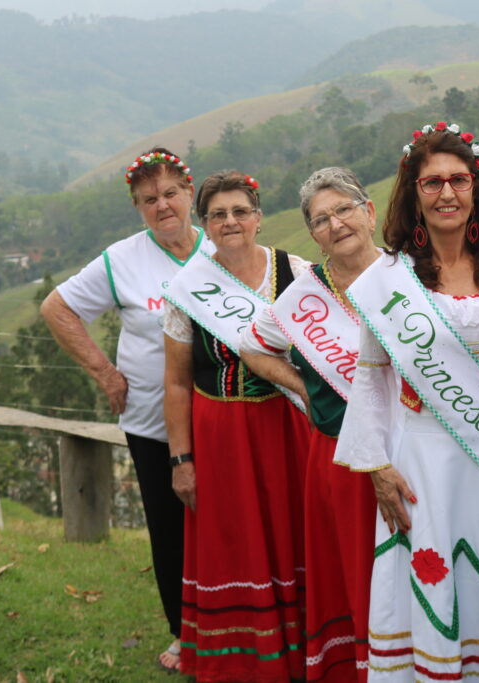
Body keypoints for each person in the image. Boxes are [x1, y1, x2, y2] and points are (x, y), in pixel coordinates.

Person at [334, 122, 479, 681]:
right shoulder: (387, 278)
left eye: (457, 180)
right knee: (436, 577)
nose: (446, 194)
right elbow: (369, 377)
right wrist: (376, 467)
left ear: (476, 187)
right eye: (431, 182)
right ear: (413, 193)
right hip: (421, 463)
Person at [40, 147, 209, 672]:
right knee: (170, 527)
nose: (162, 206)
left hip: (225, 418)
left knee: (227, 523)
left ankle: (235, 624)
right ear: (137, 207)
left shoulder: (221, 246)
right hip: (153, 423)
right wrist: (104, 371)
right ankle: (185, 633)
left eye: (170, 194)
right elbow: (57, 306)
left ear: (189, 192)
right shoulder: (123, 259)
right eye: (148, 200)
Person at [162, 170, 311, 682]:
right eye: (218, 214)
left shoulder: (301, 273)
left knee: (295, 538)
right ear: (204, 224)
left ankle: (303, 656)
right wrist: (182, 460)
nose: (231, 222)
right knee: (235, 545)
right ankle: (243, 665)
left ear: (259, 217)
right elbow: (177, 384)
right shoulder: (188, 289)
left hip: (288, 430)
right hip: (220, 436)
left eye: (240, 211)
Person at [238, 167, 381, 681]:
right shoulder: (302, 298)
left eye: (343, 209)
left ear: (369, 211)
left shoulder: (409, 274)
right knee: (354, 571)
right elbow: (253, 346)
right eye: (320, 219)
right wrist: (301, 386)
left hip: (412, 454)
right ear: (313, 234)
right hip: (339, 458)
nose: (336, 224)